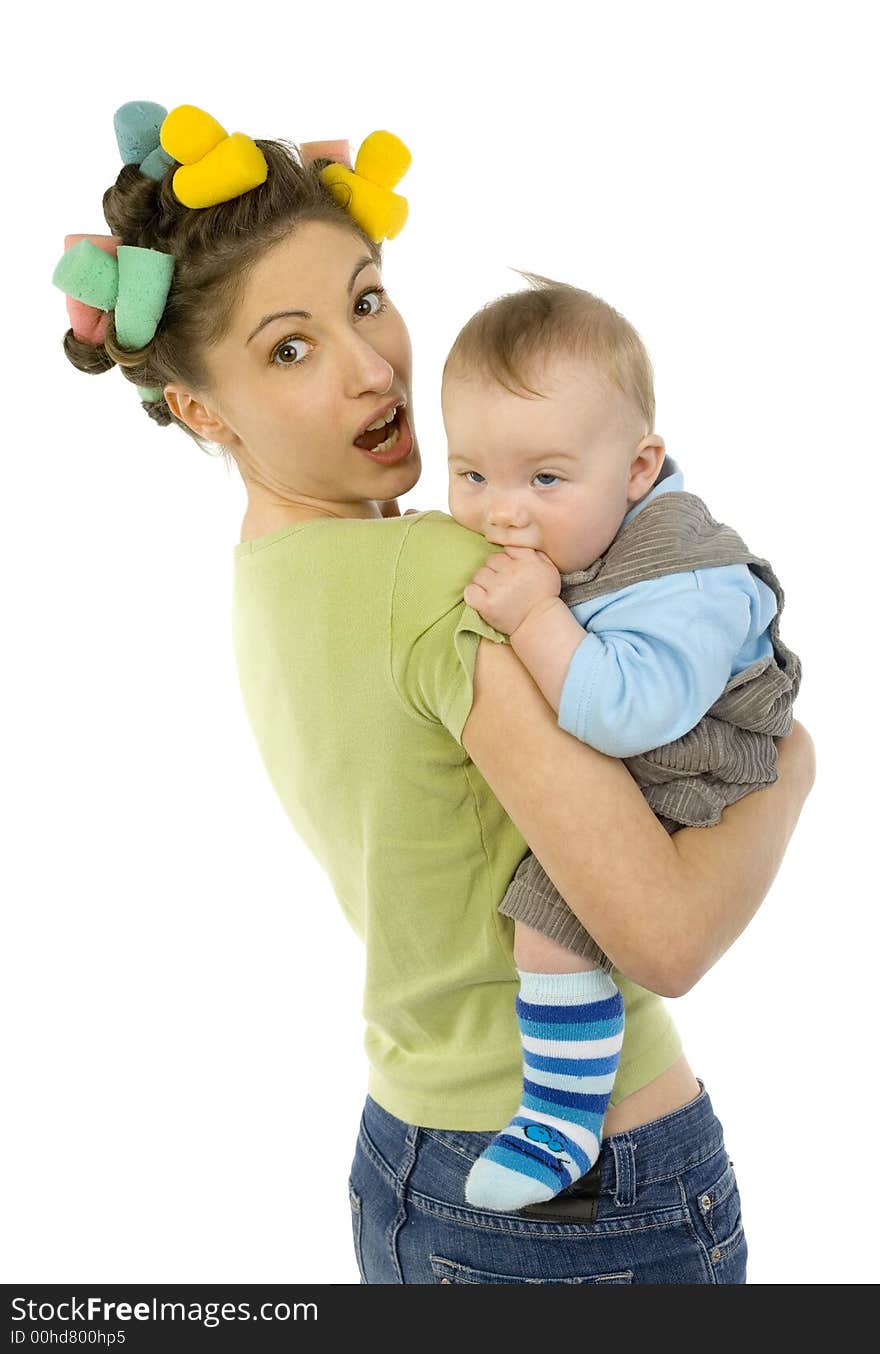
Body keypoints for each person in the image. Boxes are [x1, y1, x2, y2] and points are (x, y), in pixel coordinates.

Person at [53, 101, 816, 1284]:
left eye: (364, 301)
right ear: (200, 408)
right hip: (590, 1196)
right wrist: (797, 756)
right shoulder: (441, 576)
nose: (372, 370)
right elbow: (662, 935)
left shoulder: (270, 584)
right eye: (288, 348)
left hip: (404, 1159)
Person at [439, 277, 801, 1211]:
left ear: (640, 469)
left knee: (551, 921)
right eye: (471, 474)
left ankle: (560, 1120)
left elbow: (629, 710)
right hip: (650, 741)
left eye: (544, 478)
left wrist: (535, 619)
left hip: (703, 755)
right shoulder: (579, 528)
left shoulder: (685, 577)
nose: (501, 514)